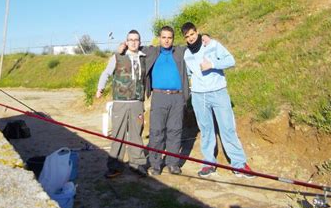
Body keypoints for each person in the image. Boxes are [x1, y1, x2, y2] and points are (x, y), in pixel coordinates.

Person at [181, 22, 254, 178]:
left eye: (192, 34)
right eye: (187, 36)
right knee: (206, 131)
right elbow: (189, 74)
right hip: (199, 96)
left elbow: (231, 61)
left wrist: (212, 64)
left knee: (227, 129)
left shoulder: (212, 44)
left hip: (218, 92)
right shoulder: (187, 54)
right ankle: (209, 163)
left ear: (197, 32)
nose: (191, 38)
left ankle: (239, 164)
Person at [119, 26, 189, 175]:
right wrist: (123, 46)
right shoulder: (151, 52)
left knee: (175, 131)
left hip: (177, 97)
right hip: (159, 97)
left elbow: (194, 44)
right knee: (156, 131)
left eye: (169, 37)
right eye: (164, 37)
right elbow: (134, 46)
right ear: (159, 38)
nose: (166, 40)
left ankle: (173, 163)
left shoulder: (180, 51)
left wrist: (205, 38)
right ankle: (155, 164)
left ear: (173, 39)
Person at [96, 30, 148, 178]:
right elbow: (106, 73)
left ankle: (137, 164)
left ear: (140, 42)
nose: (133, 42)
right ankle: (115, 166)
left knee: (136, 135)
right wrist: (100, 88)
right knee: (118, 134)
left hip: (137, 103)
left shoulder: (143, 57)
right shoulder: (118, 56)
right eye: (130, 39)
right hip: (120, 101)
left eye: (136, 39)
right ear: (126, 41)